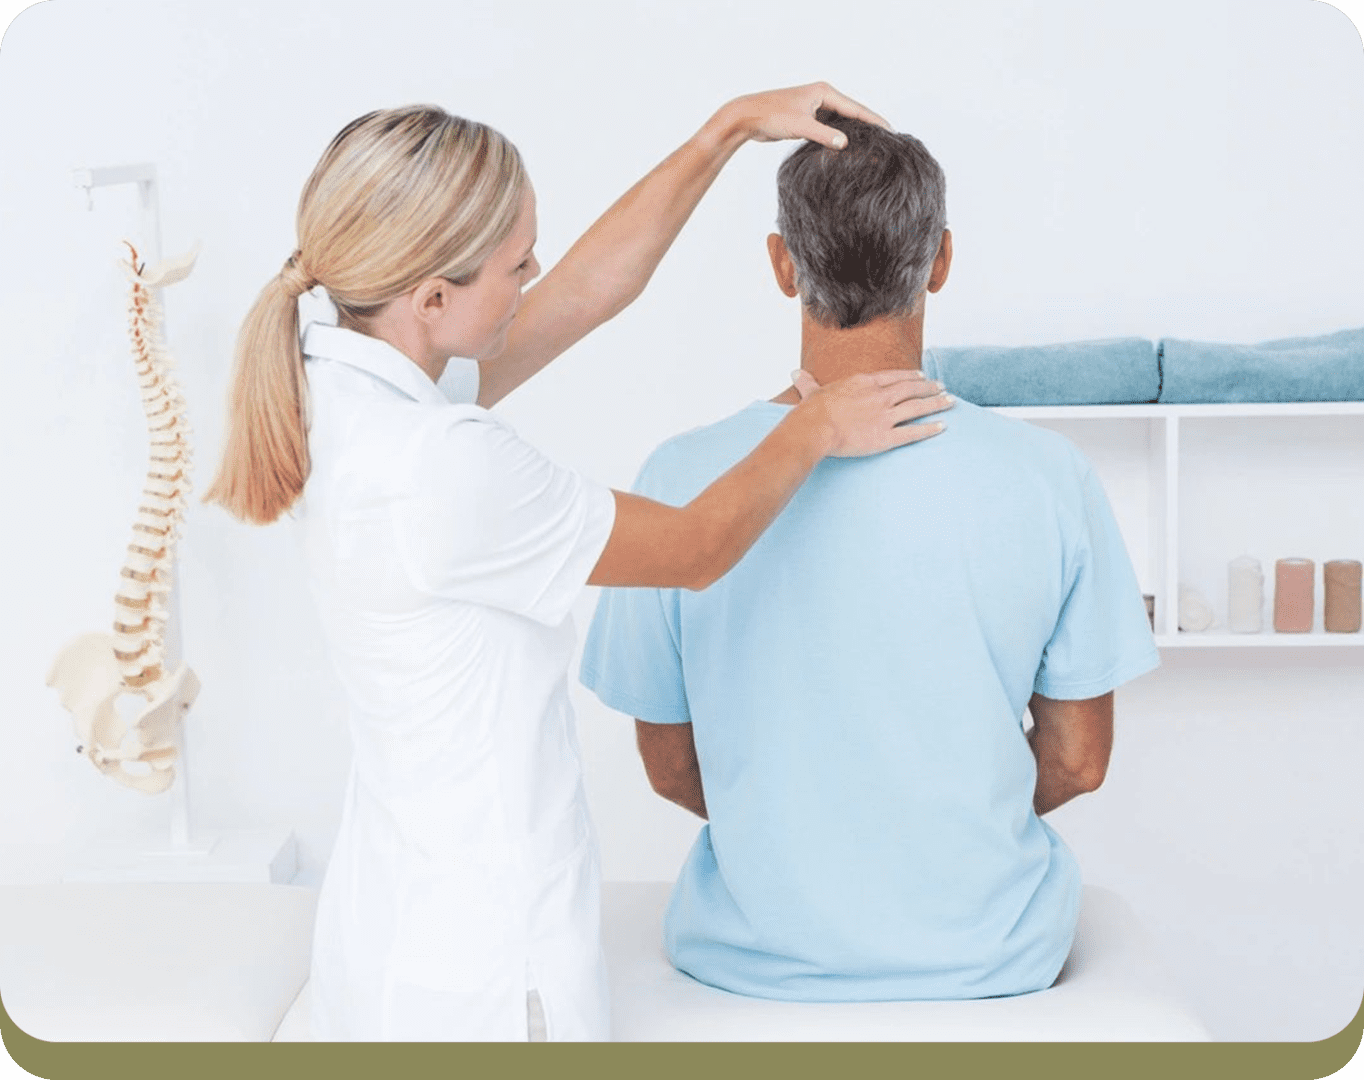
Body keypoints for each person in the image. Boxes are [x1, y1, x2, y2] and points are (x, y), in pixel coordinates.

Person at [202, 89, 954, 1041]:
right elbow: (693, 549)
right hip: (482, 974)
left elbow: (588, 293)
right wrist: (814, 425)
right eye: (517, 262)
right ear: (432, 298)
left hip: (391, 932)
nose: (536, 274)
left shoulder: (348, 376)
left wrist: (721, 132)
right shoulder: (445, 468)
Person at [580, 111, 1160, 1004]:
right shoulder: (1049, 479)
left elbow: (668, 764)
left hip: (748, 964)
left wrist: (807, 836)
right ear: (940, 260)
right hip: (989, 961)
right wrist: (933, 825)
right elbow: (1079, 760)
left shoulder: (680, 476)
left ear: (782, 264)